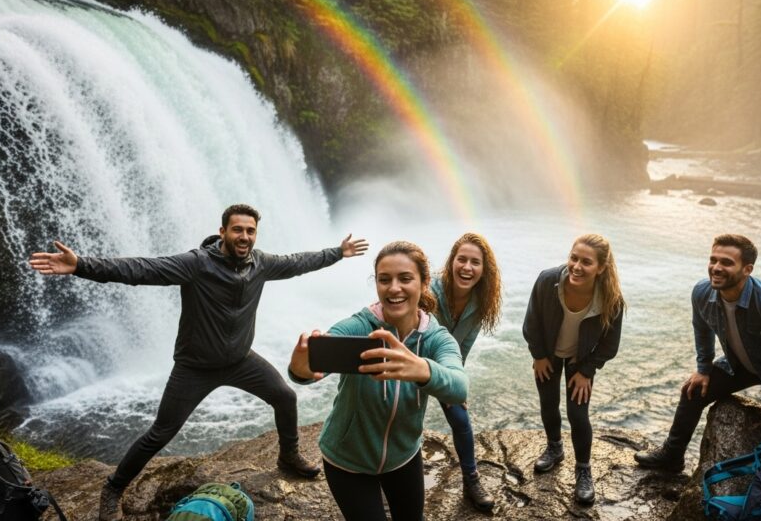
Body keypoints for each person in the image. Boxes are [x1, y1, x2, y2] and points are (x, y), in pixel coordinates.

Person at [28, 204, 368, 521]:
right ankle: (113, 487)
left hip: (240, 360)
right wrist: (80, 266)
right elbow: (141, 269)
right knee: (160, 433)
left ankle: (288, 456)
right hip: (195, 367)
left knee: (286, 396)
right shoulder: (196, 263)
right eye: (237, 230)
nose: (244, 237)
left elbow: (297, 262)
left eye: (250, 231)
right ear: (222, 232)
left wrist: (338, 252)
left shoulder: (260, 263)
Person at [288, 241, 468, 521]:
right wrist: (302, 367)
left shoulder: (436, 339)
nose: (394, 288)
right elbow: (314, 365)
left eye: (405, 278)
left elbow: (459, 387)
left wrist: (421, 368)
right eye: (385, 280)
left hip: (404, 456)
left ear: (424, 283)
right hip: (347, 461)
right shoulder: (360, 327)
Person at [634, 234, 761, 473]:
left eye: (727, 263)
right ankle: (672, 455)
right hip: (739, 364)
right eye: (713, 260)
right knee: (692, 392)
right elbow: (701, 329)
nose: (716, 268)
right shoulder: (702, 292)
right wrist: (703, 368)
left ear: (747, 269)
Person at [523, 233, 625, 506]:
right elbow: (531, 321)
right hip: (548, 354)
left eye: (586, 262)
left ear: (601, 267)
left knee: (577, 414)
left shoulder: (611, 299)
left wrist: (588, 371)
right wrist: (539, 355)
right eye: (574, 258)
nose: (577, 266)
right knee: (548, 404)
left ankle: (583, 469)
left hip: (580, 361)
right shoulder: (548, 281)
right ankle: (555, 448)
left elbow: (610, 345)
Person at [430, 233, 502, 512]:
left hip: (445, 366)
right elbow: (421, 340)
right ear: (451, 262)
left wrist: (455, 385)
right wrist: (443, 383)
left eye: (475, 262)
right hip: (413, 361)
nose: (467, 267)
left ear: (484, 270)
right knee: (400, 413)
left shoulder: (480, 300)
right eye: (462, 259)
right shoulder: (430, 293)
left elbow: (465, 345)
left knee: (461, 419)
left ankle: (471, 481)